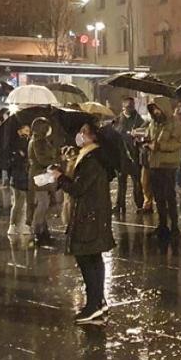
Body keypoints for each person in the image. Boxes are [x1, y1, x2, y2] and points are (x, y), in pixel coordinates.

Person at [53, 121, 117, 324]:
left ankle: (93, 306)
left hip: (89, 216)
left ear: (91, 137)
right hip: (93, 214)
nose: (79, 135)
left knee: (87, 259)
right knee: (93, 258)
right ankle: (99, 301)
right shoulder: (90, 156)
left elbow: (78, 188)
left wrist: (60, 177)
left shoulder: (92, 160)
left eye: (83, 132)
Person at [145, 100, 181, 238]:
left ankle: (174, 226)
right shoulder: (153, 123)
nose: (155, 112)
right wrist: (144, 141)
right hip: (155, 164)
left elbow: (179, 142)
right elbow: (150, 138)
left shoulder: (176, 124)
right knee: (158, 197)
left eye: (157, 109)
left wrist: (159, 146)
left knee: (169, 196)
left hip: (168, 165)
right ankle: (162, 225)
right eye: (153, 110)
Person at [28, 117, 61, 245]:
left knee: (45, 202)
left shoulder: (41, 140)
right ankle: (37, 230)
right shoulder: (37, 141)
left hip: (42, 175)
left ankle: (43, 230)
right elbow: (42, 160)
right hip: (39, 175)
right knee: (43, 203)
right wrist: (56, 161)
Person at [113, 97, 146, 214]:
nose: (129, 108)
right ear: (123, 106)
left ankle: (139, 204)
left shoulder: (138, 120)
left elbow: (144, 135)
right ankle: (119, 205)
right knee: (121, 182)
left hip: (134, 155)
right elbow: (115, 135)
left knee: (137, 181)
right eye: (127, 106)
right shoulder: (117, 120)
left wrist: (136, 136)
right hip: (120, 156)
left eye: (131, 105)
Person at [5, 123, 32, 235]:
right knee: (19, 202)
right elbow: (18, 160)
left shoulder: (26, 142)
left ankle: (19, 225)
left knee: (21, 202)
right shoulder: (17, 143)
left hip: (20, 176)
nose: (28, 132)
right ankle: (15, 225)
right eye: (25, 130)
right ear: (19, 130)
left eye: (28, 130)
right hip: (19, 176)